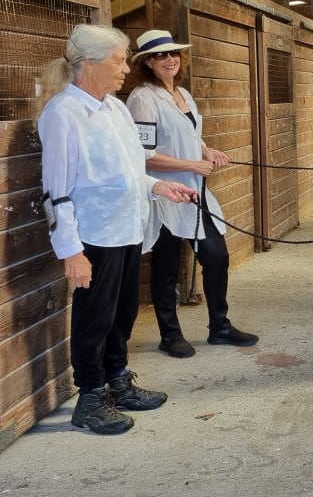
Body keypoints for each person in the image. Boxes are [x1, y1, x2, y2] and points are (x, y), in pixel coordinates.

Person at [36, 24, 198, 435]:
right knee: (95, 318)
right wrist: (71, 252)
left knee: (124, 312)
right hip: (94, 235)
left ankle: (117, 381)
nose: (127, 67)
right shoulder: (63, 114)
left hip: (128, 228)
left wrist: (158, 185)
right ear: (89, 64)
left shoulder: (115, 108)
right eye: (119, 59)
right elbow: (56, 190)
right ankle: (90, 399)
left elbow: (130, 170)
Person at [125, 29, 258, 359]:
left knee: (217, 257)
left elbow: (191, 135)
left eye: (173, 53)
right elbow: (143, 154)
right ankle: (170, 335)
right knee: (167, 266)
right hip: (167, 195)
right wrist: (191, 165)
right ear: (147, 63)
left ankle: (220, 327)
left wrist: (207, 151)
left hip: (196, 193)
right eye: (159, 55)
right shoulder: (142, 98)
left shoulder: (183, 93)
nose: (169, 59)